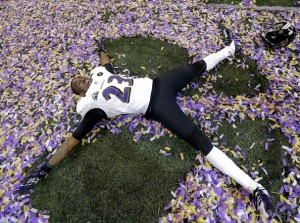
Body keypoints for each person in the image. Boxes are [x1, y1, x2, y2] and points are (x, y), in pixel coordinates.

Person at [20, 30, 276, 220]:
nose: (78, 79)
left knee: (195, 67)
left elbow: (104, 63)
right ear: (80, 92)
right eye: (76, 82)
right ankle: (255, 188)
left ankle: (230, 50)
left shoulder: (97, 82)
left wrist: (100, 47)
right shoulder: (92, 100)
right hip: (157, 104)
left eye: (78, 77)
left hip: (159, 85)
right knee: (202, 143)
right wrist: (45, 169)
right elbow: (73, 139)